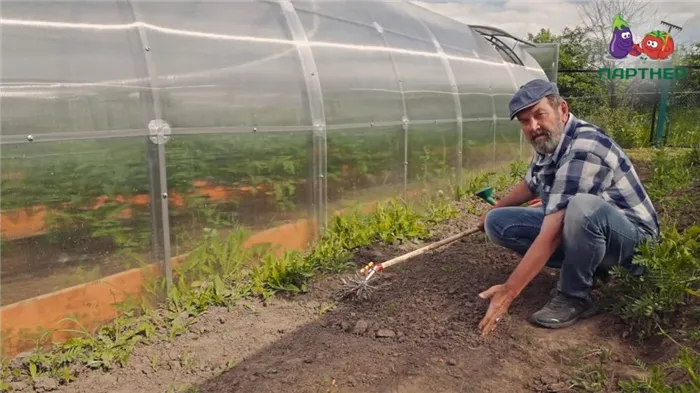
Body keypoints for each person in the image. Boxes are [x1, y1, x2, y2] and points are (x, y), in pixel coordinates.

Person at [475, 79, 659, 336]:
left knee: (581, 208)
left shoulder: (585, 147)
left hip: (635, 245)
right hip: (596, 235)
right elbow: (531, 185)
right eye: (524, 121)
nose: (533, 126)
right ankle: (591, 268)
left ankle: (575, 296)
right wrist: (490, 213)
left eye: (539, 115)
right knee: (498, 222)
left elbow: (551, 233)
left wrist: (509, 290)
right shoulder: (549, 141)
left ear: (562, 110)